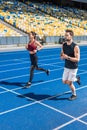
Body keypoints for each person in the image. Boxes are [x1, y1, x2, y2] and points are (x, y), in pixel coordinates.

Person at [60, 29, 81, 100]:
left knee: (69, 83)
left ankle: (74, 95)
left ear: (71, 36)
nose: (65, 37)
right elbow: (61, 54)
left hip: (73, 67)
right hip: (66, 66)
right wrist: (62, 57)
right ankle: (76, 79)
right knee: (63, 81)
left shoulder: (75, 46)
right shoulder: (63, 45)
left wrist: (68, 57)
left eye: (67, 35)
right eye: (65, 35)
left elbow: (77, 59)